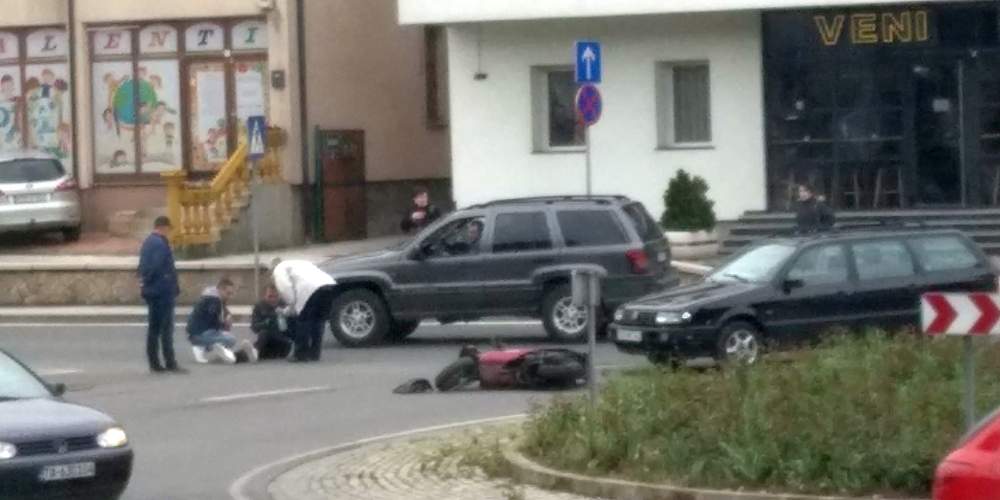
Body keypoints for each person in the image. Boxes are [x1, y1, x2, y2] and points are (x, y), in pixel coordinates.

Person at [137, 216, 183, 374]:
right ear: (163, 227)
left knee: (154, 328)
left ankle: (154, 363)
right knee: (166, 329)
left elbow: (143, 267)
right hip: (162, 291)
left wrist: (144, 283)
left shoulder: (148, 242)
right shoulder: (160, 244)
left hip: (152, 291)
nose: (169, 232)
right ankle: (170, 362)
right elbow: (157, 267)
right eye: (168, 228)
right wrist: (169, 285)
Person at [270, 258, 337, 362]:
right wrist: (289, 310)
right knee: (318, 321)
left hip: (310, 289)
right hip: (329, 284)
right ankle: (315, 353)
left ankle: (301, 354)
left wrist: (291, 304)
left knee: (304, 321)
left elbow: (285, 288)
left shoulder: (279, 269)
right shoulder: (298, 263)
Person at [186, 277, 258, 364]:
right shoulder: (214, 301)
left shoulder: (212, 297)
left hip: (198, 333)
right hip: (199, 334)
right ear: (220, 289)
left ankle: (214, 349)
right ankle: (203, 346)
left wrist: (228, 316)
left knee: (227, 338)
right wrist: (225, 324)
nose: (230, 296)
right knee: (230, 340)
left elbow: (222, 311)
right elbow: (212, 322)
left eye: (231, 294)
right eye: (228, 293)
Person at [251, 284, 296, 360]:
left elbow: (293, 329)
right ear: (264, 296)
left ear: (280, 296)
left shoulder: (285, 306)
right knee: (264, 333)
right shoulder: (259, 306)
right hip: (266, 341)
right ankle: (238, 356)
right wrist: (266, 323)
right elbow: (254, 327)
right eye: (270, 296)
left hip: (282, 342)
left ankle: (254, 352)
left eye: (276, 296)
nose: (273, 299)